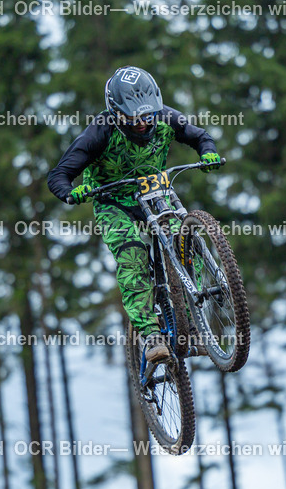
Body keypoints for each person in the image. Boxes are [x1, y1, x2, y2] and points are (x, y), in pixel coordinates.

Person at [47, 66, 222, 363]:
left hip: (155, 192)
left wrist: (208, 153)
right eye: (132, 119)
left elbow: (200, 136)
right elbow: (60, 174)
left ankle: (191, 323)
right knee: (134, 256)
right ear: (116, 113)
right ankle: (151, 335)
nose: (142, 124)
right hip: (112, 200)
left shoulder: (166, 116)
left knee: (184, 240)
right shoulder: (100, 130)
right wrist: (69, 192)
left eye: (147, 116)